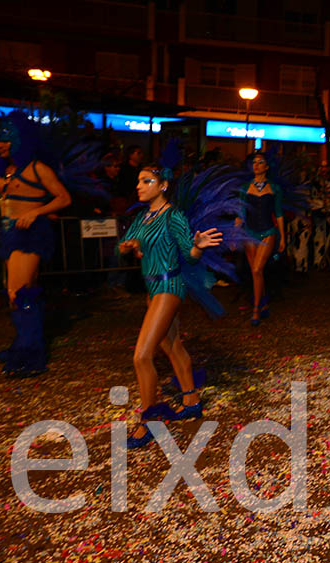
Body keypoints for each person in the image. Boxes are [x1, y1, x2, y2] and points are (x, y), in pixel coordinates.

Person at [118, 162, 222, 449]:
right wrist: (131, 247)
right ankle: (191, 399)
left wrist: (198, 245)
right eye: (138, 181)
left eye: (146, 181)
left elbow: (189, 256)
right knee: (171, 344)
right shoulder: (143, 217)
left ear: (162, 185)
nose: (139, 186)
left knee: (141, 356)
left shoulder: (172, 216)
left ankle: (149, 422)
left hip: (169, 285)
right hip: (152, 287)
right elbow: (127, 242)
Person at [0, 112, 72, 377]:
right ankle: (26, 346)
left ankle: (30, 354)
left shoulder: (37, 168)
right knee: (17, 294)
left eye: (6, 139)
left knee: (18, 293)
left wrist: (36, 212)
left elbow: (63, 198)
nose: (0, 145)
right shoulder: (2, 173)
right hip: (9, 235)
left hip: (30, 235)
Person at [234, 152, 285, 325]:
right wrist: (234, 234)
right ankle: (263, 304)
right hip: (249, 232)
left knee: (256, 269)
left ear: (267, 166)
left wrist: (283, 238)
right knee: (257, 272)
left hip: (268, 232)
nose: (256, 165)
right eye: (254, 162)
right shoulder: (244, 188)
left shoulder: (275, 188)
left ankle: (255, 309)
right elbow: (240, 213)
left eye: (260, 162)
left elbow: (278, 214)